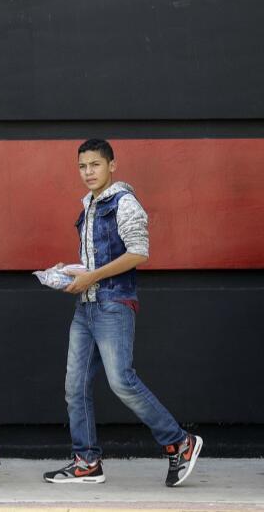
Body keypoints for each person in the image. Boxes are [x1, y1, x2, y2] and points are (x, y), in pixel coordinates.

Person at [43, 139, 202, 487]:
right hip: (86, 306)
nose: (88, 172)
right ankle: (86, 462)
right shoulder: (87, 205)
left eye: (95, 165)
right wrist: (72, 272)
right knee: (75, 387)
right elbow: (95, 262)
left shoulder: (124, 202)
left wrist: (91, 276)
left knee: (122, 381)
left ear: (112, 165)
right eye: (83, 166)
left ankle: (180, 441)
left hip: (114, 304)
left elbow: (138, 253)